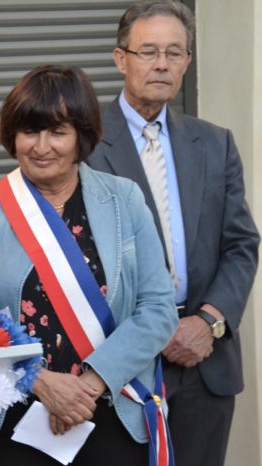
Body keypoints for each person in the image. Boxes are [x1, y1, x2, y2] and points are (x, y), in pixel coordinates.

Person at [0, 65, 178, 466]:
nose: (41, 146)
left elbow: (158, 309)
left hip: (109, 406)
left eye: (57, 132)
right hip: (14, 411)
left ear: (82, 137)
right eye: (30, 131)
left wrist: (88, 386)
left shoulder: (124, 199)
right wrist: (41, 382)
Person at [87, 2, 260, 465]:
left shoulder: (215, 142)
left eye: (174, 52)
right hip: (122, 361)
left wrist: (208, 321)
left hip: (206, 360)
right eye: (148, 51)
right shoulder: (84, 143)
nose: (161, 63)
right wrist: (152, 329)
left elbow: (242, 244)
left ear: (187, 61)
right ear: (121, 58)